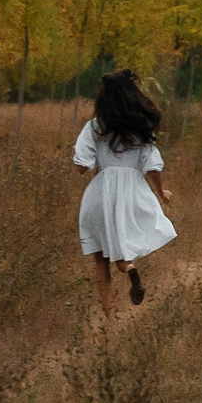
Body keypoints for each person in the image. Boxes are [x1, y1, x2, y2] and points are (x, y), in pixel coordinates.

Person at [74, 70, 175, 316]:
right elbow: (153, 167)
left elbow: (81, 166)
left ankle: (108, 314)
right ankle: (128, 266)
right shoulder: (141, 128)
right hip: (132, 193)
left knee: (100, 258)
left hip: (100, 193)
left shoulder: (95, 126)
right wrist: (161, 192)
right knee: (122, 248)